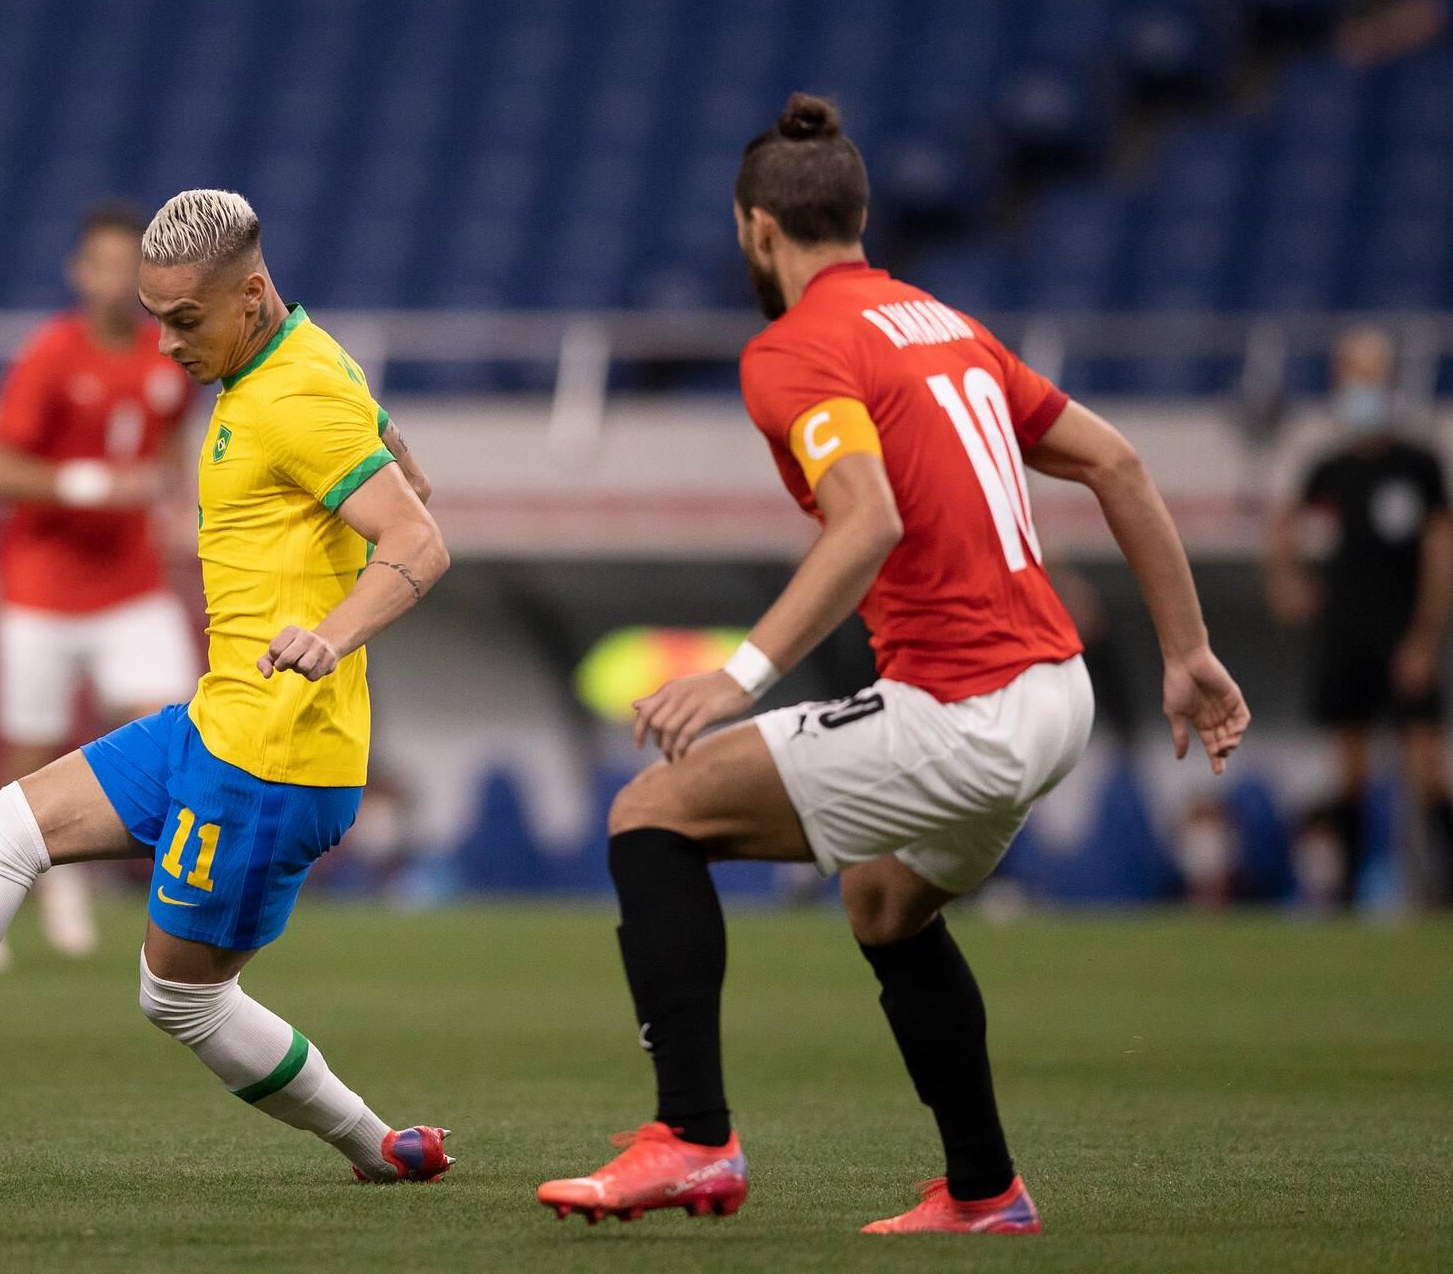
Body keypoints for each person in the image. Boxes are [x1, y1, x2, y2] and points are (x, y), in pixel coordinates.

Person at [537, 94, 1250, 1233]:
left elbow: (860, 521)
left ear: (753, 232)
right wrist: (1186, 652)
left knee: (651, 815)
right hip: (1052, 697)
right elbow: (1116, 463)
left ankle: (691, 1139)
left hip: (961, 707)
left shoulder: (790, 349)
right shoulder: (940, 322)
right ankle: (983, 1191)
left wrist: (739, 675)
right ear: (858, 217)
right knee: (881, 902)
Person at [0, 189, 455, 1183]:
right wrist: (393, 459)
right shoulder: (297, 355)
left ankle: (377, 1146)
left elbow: (420, 540)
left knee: (179, 999)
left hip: (270, 761)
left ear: (251, 293)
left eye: (184, 321)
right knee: (0, 827)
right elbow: (400, 465)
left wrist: (330, 633)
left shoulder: (294, 393)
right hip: (218, 723)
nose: (164, 350)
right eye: (154, 321)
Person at [0, 201, 199, 964]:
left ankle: (88, 870)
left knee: (179, 726)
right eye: (99, 263)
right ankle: (0, 885)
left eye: (124, 265)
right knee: (28, 746)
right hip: (42, 587)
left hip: (130, 584)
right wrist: (90, 485)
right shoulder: (48, 356)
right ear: (78, 271)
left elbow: (173, 442)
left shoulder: (166, 356)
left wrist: (180, 500)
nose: (112, 279)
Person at [1264, 328, 1453, 907]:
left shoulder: (1417, 465)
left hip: (1402, 636)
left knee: (1426, 770)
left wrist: (1423, 638)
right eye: (1351, 373)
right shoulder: (1331, 467)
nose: (1360, 386)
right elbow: (1284, 527)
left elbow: (1440, 553)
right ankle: (1345, 895)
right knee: (1351, 774)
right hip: (1346, 637)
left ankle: (1444, 891)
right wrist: (1288, 585)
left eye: (1370, 373)